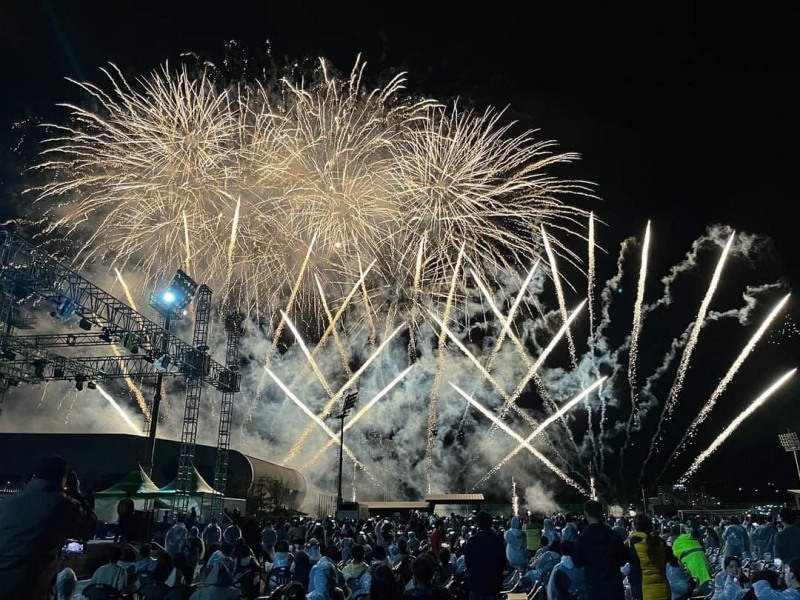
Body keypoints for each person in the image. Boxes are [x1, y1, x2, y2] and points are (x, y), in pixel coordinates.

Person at [0, 455, 97, 599]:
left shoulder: (8, 502)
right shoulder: (61, 504)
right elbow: (90, 526)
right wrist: (76, 493)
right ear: (64, 479)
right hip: (30, 589)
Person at [572, 500, 627, 600]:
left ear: (586, 514)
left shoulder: (582, 537)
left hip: (594, 589)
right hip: (615, 589)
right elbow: (623, 559)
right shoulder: (614, 535)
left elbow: (577, 562)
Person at [625, 514, 670, 600]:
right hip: (663, 589)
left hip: (643, 592)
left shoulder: (632, 543)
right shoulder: (660, 542)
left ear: (635, 527)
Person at [464, 510, 505, 600]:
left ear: (477, 524)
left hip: (476, 584)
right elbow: (502, 562)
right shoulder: (497, 540)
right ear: (490, 523)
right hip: (493, 585)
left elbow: (468, 563)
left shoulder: (472, 541)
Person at [671, 520, 713, 594]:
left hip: (692, 564)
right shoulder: (692, 538)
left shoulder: (677, 542)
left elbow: (673, 557)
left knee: (698, 584)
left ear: (675, 535)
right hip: (704, 561)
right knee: (706, 580)